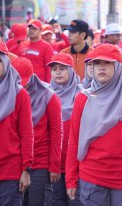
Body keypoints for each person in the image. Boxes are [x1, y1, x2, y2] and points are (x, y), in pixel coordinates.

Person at [66, 44, 122, 206]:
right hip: (91, 176)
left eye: (107, 63)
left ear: (118, 67)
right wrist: (71, 179)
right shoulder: (83, 98)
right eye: (97, 63)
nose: (102, 68)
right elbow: (74, 139)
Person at [0, 41, 33, 206]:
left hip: (11, 168)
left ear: (6, 62)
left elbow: (26, 133)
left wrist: (26, 169)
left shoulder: (20, 94)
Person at [13, 56, 62, 206]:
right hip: (14, 162)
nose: (23, 87)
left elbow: (56, 132)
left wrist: (55, 165)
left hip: (40, 162)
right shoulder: (8, 93)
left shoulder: (48, 96)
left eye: (25, 83)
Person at [48, 53, 82, 206]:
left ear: (71, 70)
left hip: (76, 164)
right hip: (53, 163)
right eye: (54, 69)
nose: (58, 72)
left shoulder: (82, 94)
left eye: (62, 68)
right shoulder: (46, 94)